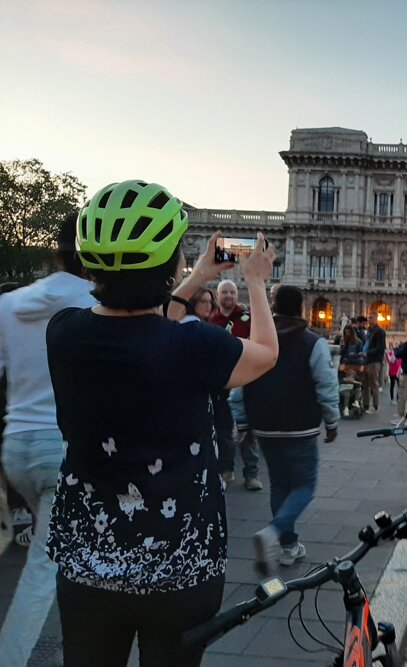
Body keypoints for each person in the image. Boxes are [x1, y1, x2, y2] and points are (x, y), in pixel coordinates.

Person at [44, 180, 278, 666]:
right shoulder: (194, 348)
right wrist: (255, 280)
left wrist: (194, 278)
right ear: (170, 264)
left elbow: (145, 325)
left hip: (88, 565)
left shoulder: (63, 333)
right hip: (179, 568)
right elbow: (265, 354)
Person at [0, 213, 96, 666]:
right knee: (42, 568)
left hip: (16, 445)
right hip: (61, 449)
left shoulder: (10, 303)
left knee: (56, 543)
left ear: (55, 252)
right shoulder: (96, 303)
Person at [244, 286, 339, 573]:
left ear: (273, 308)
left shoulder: (259, 340)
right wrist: (332, 421)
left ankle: (288, 546)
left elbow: (241, 384)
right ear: (301, 309)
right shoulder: (313, 342)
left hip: (264, 426)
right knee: (304, 486)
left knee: (280, 485)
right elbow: (326, 385)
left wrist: (242, 421)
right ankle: (273, 533)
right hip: (300, 427)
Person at [209, 280, 262, 490]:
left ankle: (251, 473)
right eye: (225, 292)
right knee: (222, 429)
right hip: (220, 383)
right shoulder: (212, 319)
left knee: (248, 430)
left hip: (245, 381)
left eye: (232, 292)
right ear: (218, 295)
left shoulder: (246, 318)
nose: (229, 295)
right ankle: (226, 469)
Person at [362, 312, 386, 413]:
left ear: (376, 318)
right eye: (368, 318)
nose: (369, 320)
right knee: (365, 383)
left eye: (371, 318)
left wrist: (368, 353)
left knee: (373, 383)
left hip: (374, 360)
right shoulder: (369, 331)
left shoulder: (380, 331)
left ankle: (375, 406)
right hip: (367, 360)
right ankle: (366, 405)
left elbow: (381, 347)